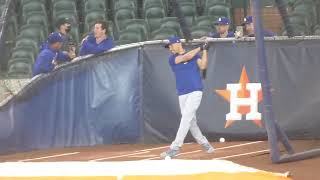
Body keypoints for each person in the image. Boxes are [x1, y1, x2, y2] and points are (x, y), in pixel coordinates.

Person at [160, 36, 214, 159]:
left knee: (186, 118)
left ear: (178, 44)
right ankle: (204, 143)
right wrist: (200, 47)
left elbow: (203, 66)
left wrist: (205, 50)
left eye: (170, 45)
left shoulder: (195, 56)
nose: (169, 48)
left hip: (195, 91)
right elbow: (185, 57)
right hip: (182, 93)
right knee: (191, 121)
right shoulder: (172, 59)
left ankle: (175, 147)